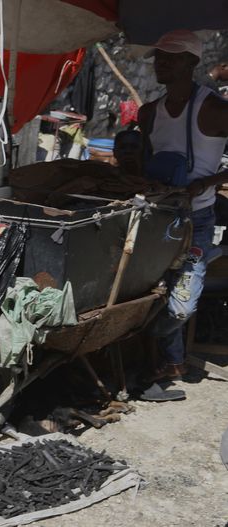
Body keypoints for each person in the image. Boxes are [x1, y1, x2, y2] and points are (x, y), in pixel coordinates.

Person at [138, 30, 228, 382]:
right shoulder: (149, 113)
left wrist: (209, 182)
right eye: (158, 56)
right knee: (153, 288)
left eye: (170, 56)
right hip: (155, 218)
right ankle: (172, 360)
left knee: (180, 306)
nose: (161, 62)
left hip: (197, 221)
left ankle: (144, 335)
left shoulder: (216, 109)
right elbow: (144, 161)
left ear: (192, 61)